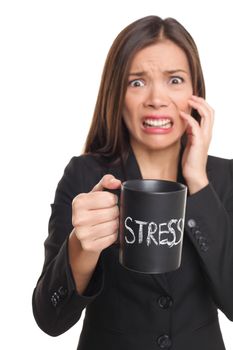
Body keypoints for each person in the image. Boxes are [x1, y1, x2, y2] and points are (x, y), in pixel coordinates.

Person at [32, 15, 233, 349]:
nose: (156, 98)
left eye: (175, 80)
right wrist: (81, 246)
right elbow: (49, 319)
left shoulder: (224, 180)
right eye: (136, 82)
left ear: (195, 94)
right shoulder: (84, 176)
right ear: (117, 95)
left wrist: (198, 181)